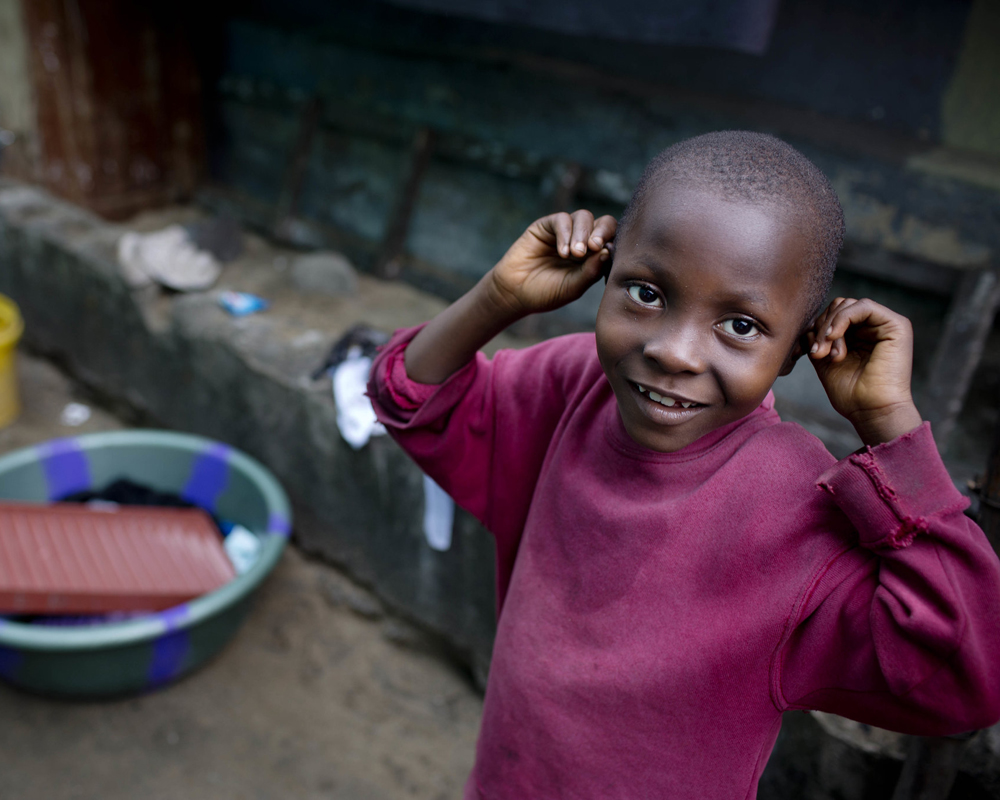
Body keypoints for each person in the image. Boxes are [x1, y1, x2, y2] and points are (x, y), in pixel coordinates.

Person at [366, 131, 1000, 799]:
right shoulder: (574, 386)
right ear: (605, 272)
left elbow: (969, 676)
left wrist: (890, 427)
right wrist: (499, 295)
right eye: (646, 292)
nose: (675, 352)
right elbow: (410, 399)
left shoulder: (799, 504)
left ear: (795, 350)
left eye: (741, 326)